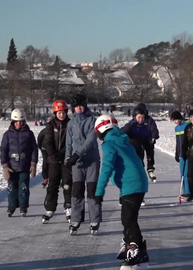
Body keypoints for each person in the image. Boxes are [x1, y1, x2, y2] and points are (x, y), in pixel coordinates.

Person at [93, 114, 149, 267]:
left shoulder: (110, 144)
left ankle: (137, 250)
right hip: (135, 184)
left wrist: (99, 192)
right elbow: (126, 167)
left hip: (132, 185)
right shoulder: (122, 141)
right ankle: (129, 245)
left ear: (101, 130)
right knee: (128, 217)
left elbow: (107, 168)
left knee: (128, 219)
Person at [65, 94, 102, 235]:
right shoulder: (71, 123)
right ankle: (75, 220)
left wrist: (76, 155)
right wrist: (68, 159)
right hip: (76, 163)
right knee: (77, 191)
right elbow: (68, 143)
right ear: (73, 109)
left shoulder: (93, 120)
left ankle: (95, 220)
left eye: (81, 106)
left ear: (85, 106)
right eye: (76, 107)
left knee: (92, 191)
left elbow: (90, 141)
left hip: (91, 160)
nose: (79, 108)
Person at [1, 108, 38, 217]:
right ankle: (11, 206)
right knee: (12, 187)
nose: (18, 124)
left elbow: (34, 149)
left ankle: (23, 206)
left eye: (21, 122)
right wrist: (5, 166)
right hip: (12, 167)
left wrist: (33, 164)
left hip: (25, 166)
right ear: (12, 122)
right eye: (16, 122)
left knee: (23, 187)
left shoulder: (29, 134)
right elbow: (3, 150)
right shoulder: (7, 135)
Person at [41, 100, 73, 224]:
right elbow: (47, 141)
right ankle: (50, 208)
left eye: (63, 113)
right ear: (55, 113)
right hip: (53, 161)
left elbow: (71, 142)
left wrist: (63, 154)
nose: (61, 115)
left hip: (65, 160)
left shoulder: (70, 124)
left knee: (67, 184)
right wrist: (53, 154)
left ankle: (68, 207)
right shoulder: (50, 125)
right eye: (59, 113)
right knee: (52, 185)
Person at [121, 106, 155, 205]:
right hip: (128, 155)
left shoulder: (144, 129)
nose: (141, 119)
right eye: (139, 117)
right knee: (128, 177)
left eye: (142, 117)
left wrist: (150, 157)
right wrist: (130, 126)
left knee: (140, 176)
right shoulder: (130, 126)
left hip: (139, 155)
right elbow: (121, 133)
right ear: (134, 116)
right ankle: (123, 196)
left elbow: (147, 145)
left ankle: (140, 197)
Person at [135, 103, 159, 180]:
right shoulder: (135, 120)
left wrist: (154, 137)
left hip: (148, 141)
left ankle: (150, 168)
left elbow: (154, 129)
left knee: (150, 154)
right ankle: (140, 169)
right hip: (138, 142)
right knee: (139, 155)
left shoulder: (149, 120)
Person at [171, 110, 190, 197]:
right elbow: (177, 142)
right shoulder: (176, 128)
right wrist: (176, 152)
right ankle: (183, 190)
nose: (175, 122)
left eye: (175, 119)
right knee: (182, 173)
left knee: (186, 173)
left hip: (187, 153)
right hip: (181, 154)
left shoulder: (187, 125)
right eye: (173, 120)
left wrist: (188, 150)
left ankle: (188, 191)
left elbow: (189, 140)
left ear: (179, 118)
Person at [37, 118, 51, 188]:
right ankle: (45, 177)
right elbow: (39, 139)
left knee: (53, 163)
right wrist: (41, 147)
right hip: (44, 149)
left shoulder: (55, 131)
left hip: (52, 150)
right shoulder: (44, 131)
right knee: (45, 162)